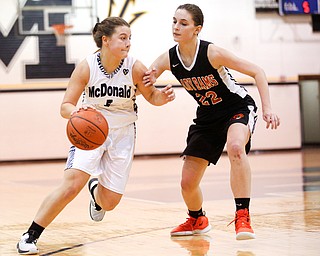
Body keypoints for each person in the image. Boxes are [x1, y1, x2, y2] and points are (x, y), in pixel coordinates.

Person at [17, 16, 175, 255]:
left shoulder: (135, 67)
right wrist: (78, 111)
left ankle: (95, 191)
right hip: (90, 128)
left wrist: (162, 97)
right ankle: (31, 234)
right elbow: (65, 107)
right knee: (71, 186)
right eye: (122, 38)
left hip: (123, 133)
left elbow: (152, 96)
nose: (128, 43)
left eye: (129, 38)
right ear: (105, 40)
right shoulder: (87, 66)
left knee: (109, 203)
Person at [143, 4, 280, 240]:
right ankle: (197, 218)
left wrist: (267, 109)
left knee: (236, 147)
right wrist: (153, 93)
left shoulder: (212, 53)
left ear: (197, 29)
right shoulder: (169, 58)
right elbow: (145, 79)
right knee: (187, 182)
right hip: (207, 116)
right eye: (174, 21)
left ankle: (243, 216)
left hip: (236, 108)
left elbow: (257, 71)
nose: (176, 27)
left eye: (183, 23)